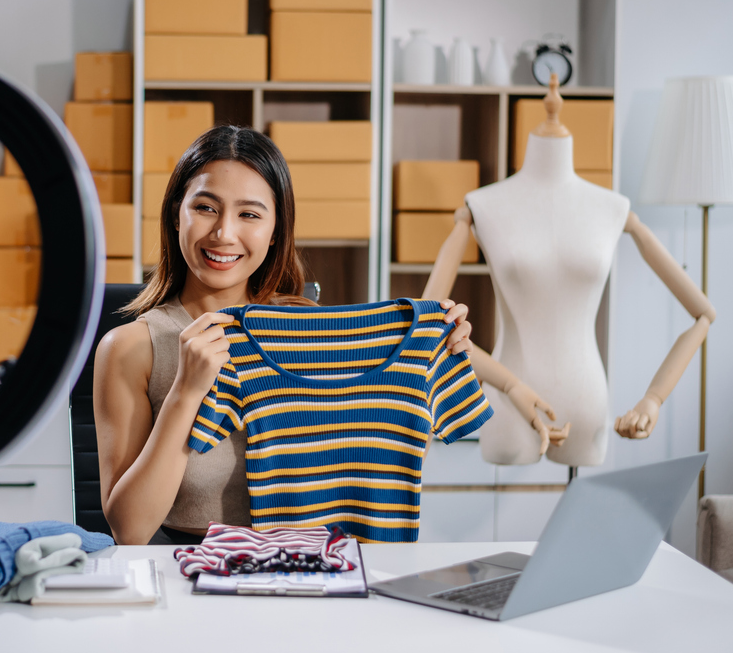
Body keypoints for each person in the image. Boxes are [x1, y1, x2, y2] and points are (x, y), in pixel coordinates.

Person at [92, 125, 474, 545]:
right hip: (194, 578)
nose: (223, 233)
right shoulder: (129, 347)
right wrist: (186, 392)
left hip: (311, 571)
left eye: (249, 214)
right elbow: (128, 531)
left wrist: (434, 357)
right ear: (175, 213)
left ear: (275, 232)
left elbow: (382, 443)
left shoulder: (309, 326)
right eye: (205, 207)